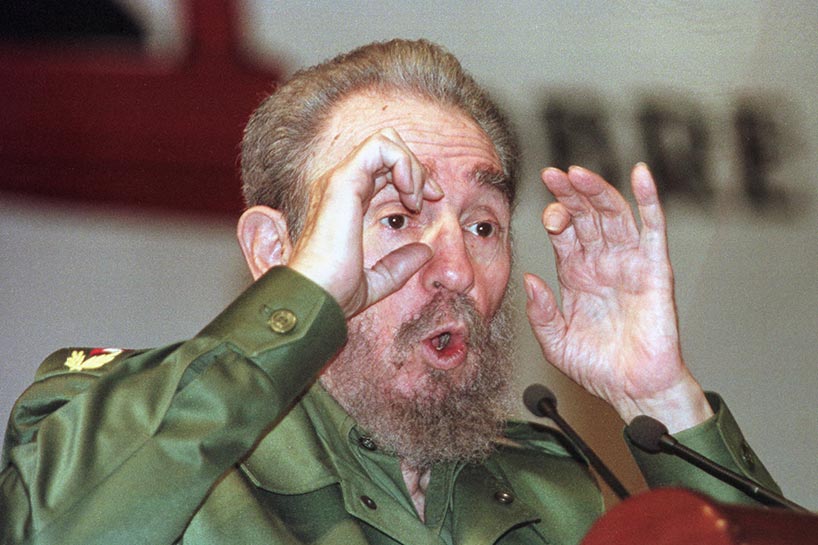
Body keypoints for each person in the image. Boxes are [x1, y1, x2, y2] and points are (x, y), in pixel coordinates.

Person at [0, 39, 779, 545]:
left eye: (482, 225)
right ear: (276, 251)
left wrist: (662, 399)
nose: (455, 270)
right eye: (398, 217)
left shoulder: (568, 495)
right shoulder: (152, 450)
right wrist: (303, 300)